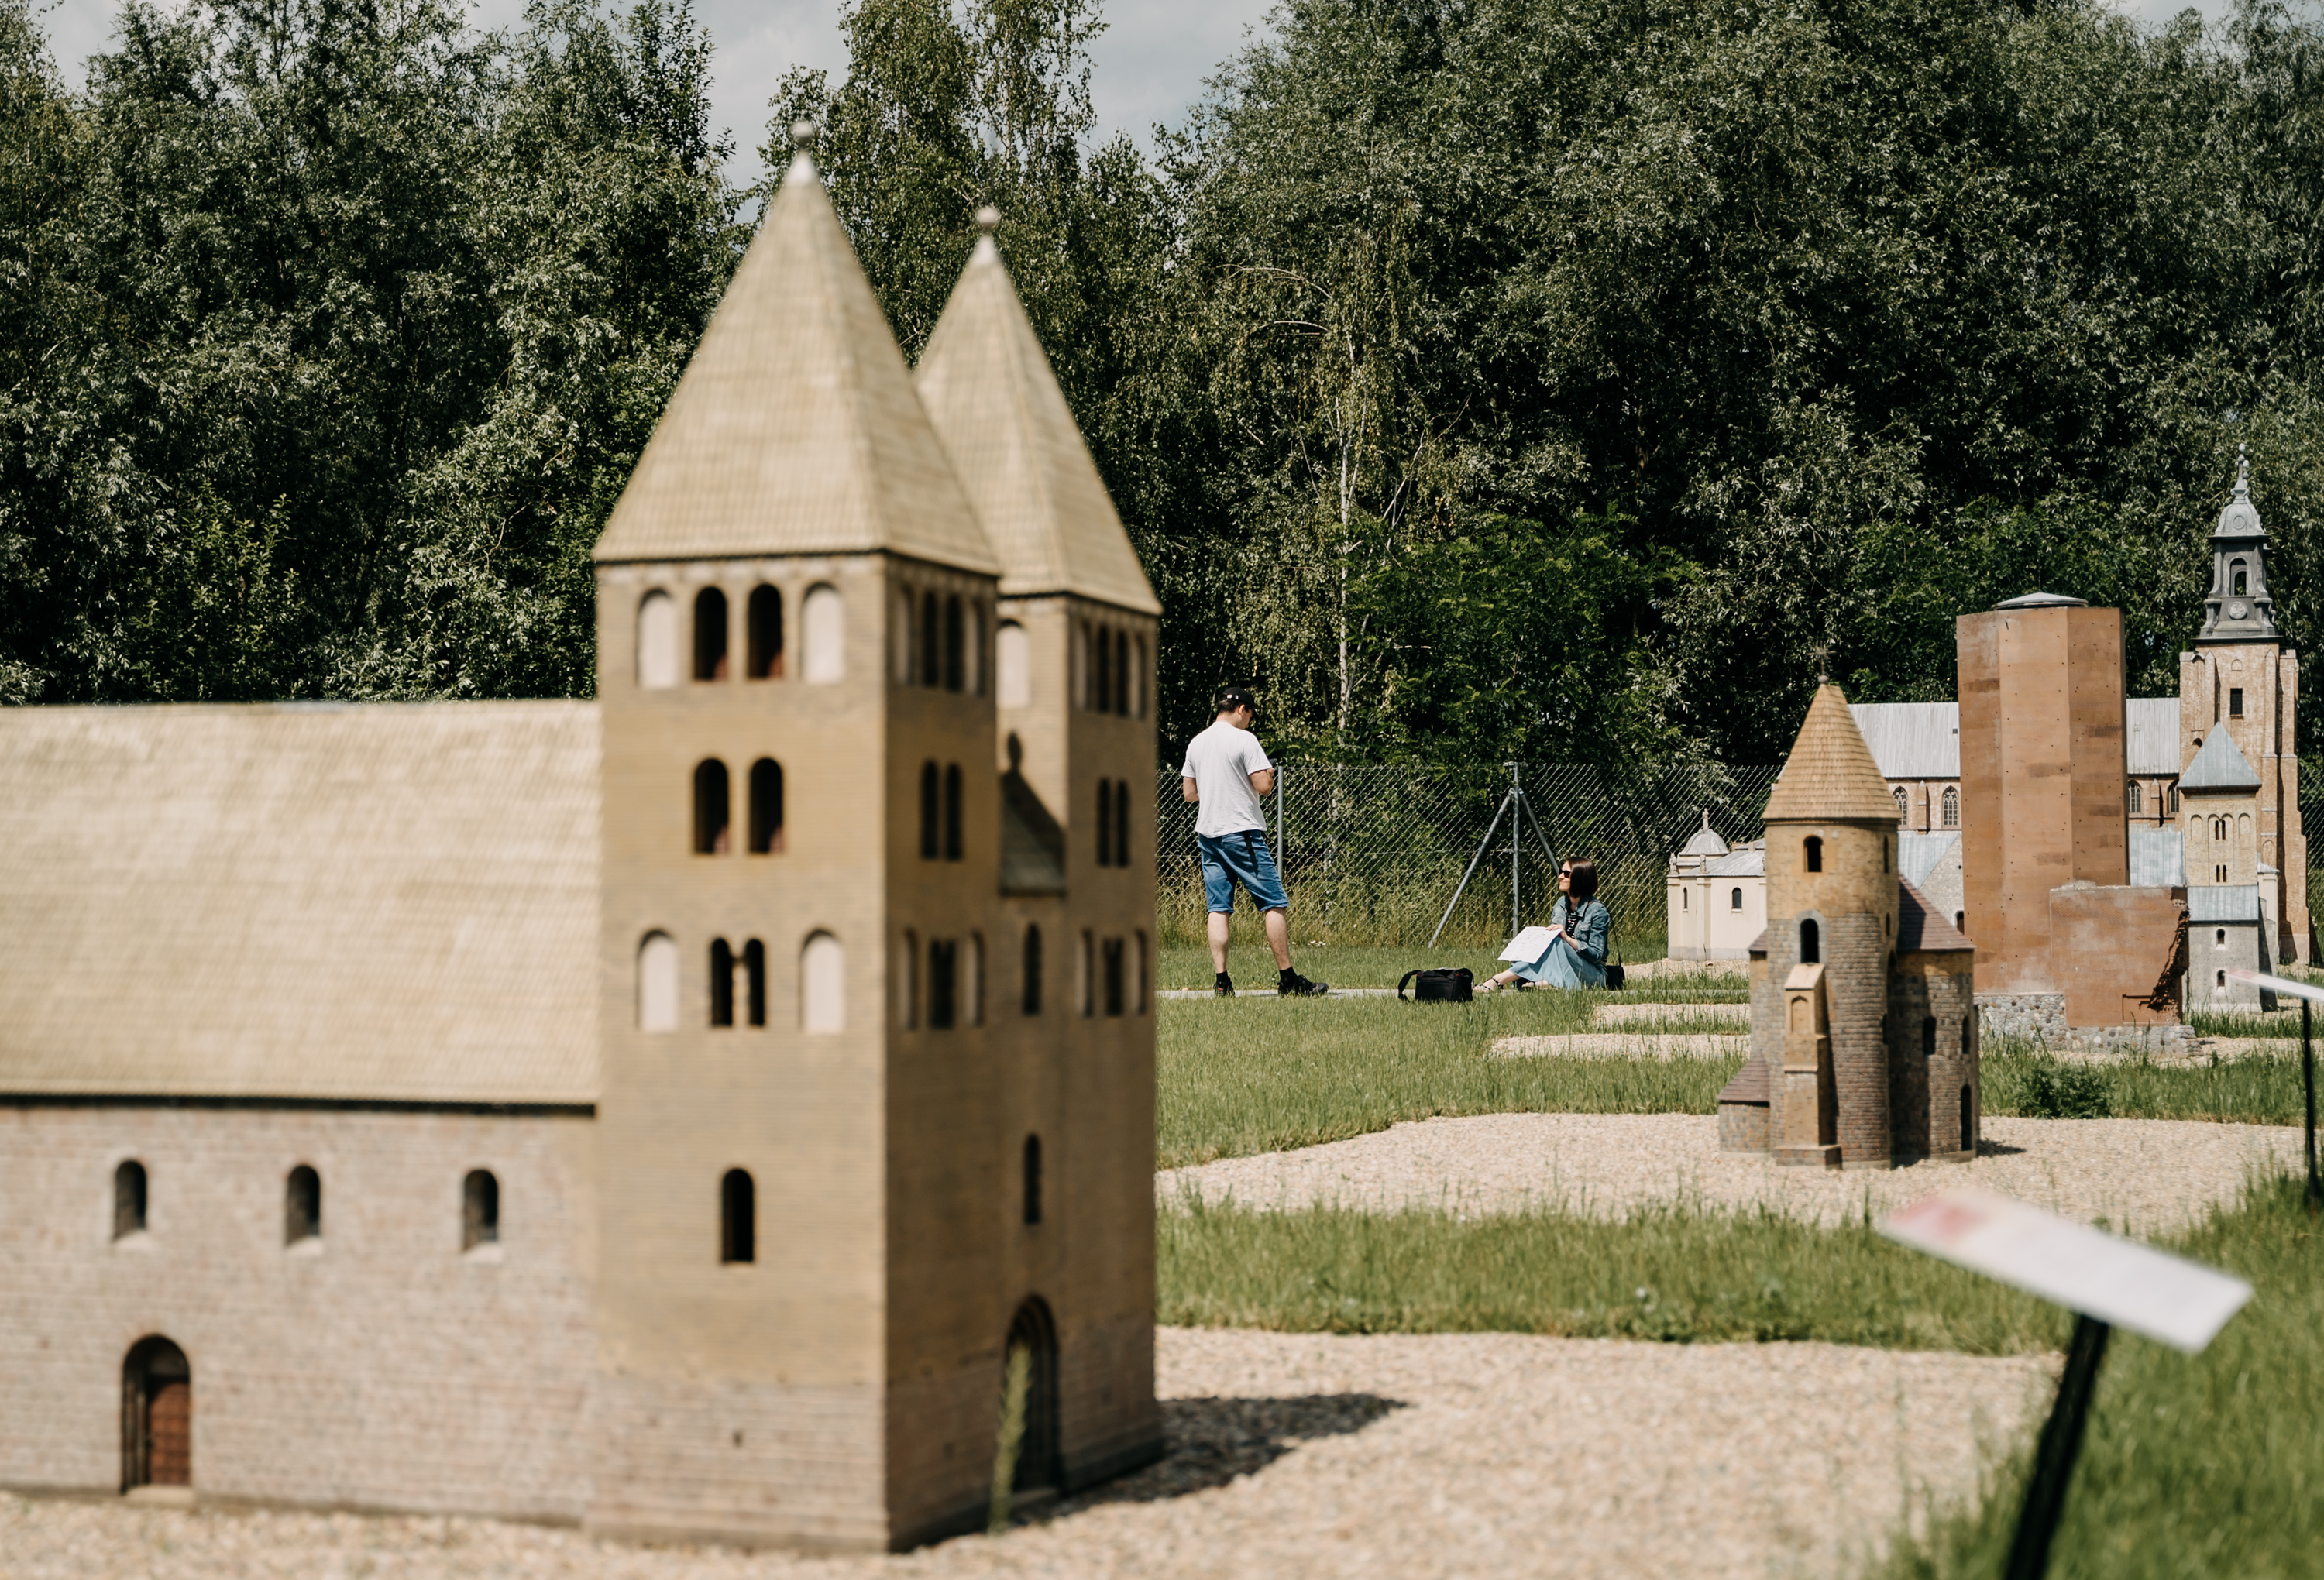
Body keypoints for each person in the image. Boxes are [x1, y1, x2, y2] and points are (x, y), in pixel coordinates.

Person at [1180, 688, 1329, 997]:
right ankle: (1288, 980)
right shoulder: (1244, 739)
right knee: (1274, 902)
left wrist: (1218, 786)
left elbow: (1189, 793)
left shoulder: (1197, 742)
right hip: (1242, 832)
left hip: (1208, 833)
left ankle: (1222, 982)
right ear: (1242, 710)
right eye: (1250, 716)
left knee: (1218, 908)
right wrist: (1269, 776)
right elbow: (1263, 787)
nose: (1250, 722)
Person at [1483, 858, 1610, 991]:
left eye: (1566, 874)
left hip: (1593, 973)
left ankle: (1499, 980)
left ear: (1581, 877)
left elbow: (1596, 955)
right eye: (1561, 872)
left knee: (1557, 942)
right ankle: (1551, 983)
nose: (1560, 876)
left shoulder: (1597, 911)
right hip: (1561, 964)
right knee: (1546, 942)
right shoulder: (1561, 904)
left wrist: (1567, 939)